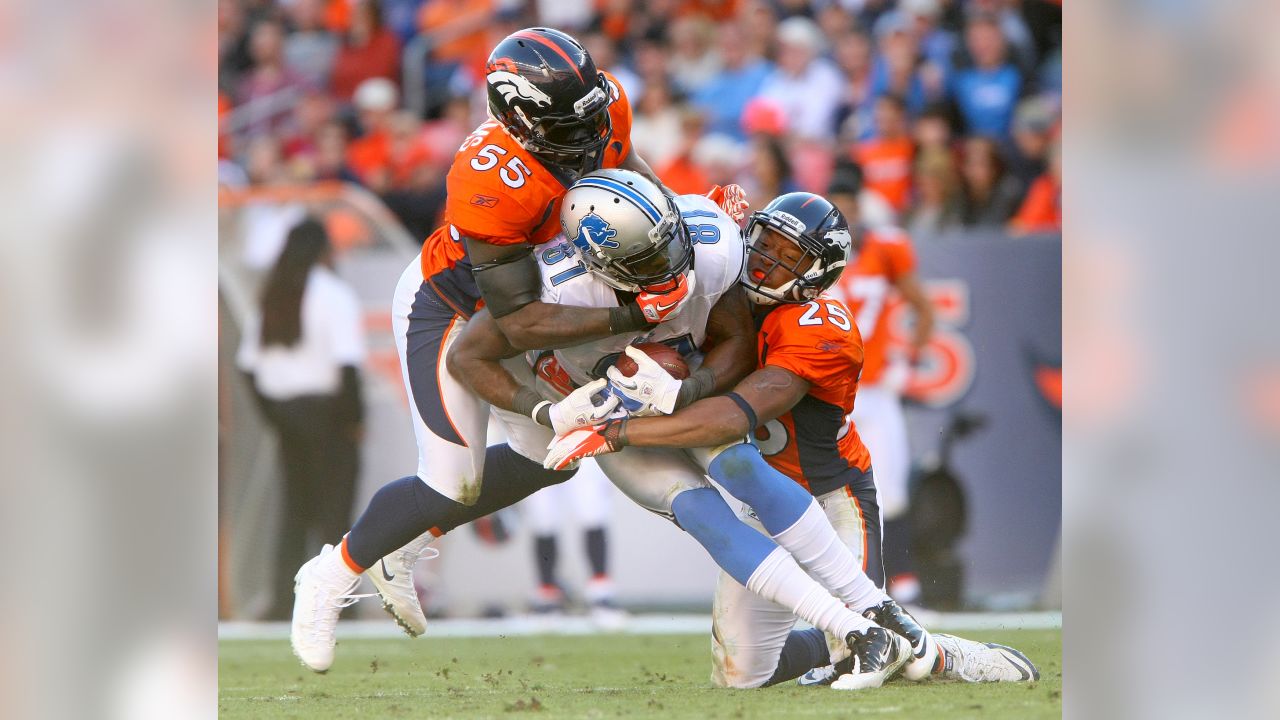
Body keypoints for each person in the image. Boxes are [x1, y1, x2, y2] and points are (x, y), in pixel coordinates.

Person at [289, 27, 676, 673]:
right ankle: (329, 574)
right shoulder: (490, 175)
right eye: (566, 125)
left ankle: (402, 547)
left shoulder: (602, 103)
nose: (588, 137)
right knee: (452, 483)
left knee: (551, 459)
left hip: (541, 299)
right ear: (521, 121)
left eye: (592, 116)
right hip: (455, 309)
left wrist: (666, 214)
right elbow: (516, 321)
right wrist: (633, 311)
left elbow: (628, 174)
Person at [543, 193, 1038, 688]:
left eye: (789, 256)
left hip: (830, 499)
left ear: (817, 274)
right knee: (742, 677)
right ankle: (849, 647)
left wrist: (617, 433)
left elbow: (732, 419)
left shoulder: (818, 326)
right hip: (767, 506)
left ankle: (946, 655)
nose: (766, 261)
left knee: (867, 647)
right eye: (765, 243)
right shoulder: (719, 294)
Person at [449, 172, 916, 691]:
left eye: (668, 244)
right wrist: (545, 413)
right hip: (601, 411)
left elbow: (734, 362)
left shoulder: (713, 246)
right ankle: (860, 629)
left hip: (700, 411)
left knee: (739, 464)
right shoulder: (556, 283)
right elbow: (467, 355)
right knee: (704, 526)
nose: (671, 266)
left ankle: (873, 624)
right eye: (644, 261)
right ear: (599, 262)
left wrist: (683, 391)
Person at [236, 218, 365, 620]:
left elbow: (248, 367)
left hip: (287, 415)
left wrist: (274, 418)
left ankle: (281, 599)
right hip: (328, 413)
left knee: (295, 511)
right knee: (335, 512)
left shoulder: (275, 296)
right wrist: (353, 420)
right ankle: (336, 603)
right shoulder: (333, 294)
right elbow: (347, 366)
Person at [825, 171, 935, 601]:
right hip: (833, 391)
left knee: (890, 484)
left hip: (873, 388)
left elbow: (922, 307)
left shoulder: (885, 247)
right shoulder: (815, 249)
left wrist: (906, 363)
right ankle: (847, 585)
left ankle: (904, 583)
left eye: (849, 205)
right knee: (829, 488)